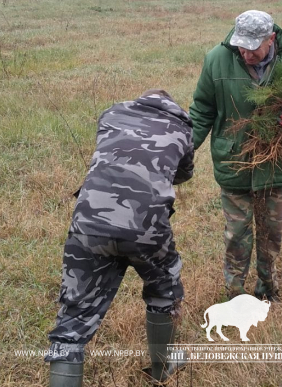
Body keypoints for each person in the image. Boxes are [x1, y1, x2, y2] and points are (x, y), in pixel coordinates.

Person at [45, 90, 194, 387]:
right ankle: (161, 369)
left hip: (88, 222)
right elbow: (183, 174)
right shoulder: (182, 128)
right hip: (147, 226)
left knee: (72, 319)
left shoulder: (111, 113)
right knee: (164, 290)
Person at [189, 10, 282, 302]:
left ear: (271, 39)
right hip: (235, 162)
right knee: (237, 236)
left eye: (253, 48)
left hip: (277, 164)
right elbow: (202, 109)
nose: (245, 53)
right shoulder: (217, 59)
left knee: (270, 235)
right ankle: (236, 294)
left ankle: (268, 290)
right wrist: (183, 149)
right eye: (241, 45)